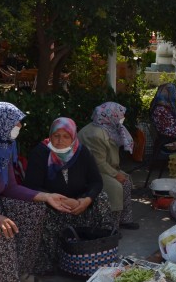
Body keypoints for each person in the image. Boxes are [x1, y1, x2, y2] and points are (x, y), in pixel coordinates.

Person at [0, 102, 70, 282]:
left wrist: (46, 197)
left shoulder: (3, 147)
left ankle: (18, 272)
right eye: (15, 126)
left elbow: (10, 187)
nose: (19, 129)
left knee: (35, 211)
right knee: (1, 231)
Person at [24, 117, 113, 274]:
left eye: (66, 136)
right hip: (52, 204)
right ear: (50, 136)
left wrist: (86, 199)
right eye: (56, 136)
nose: (60, 141)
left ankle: (99, 248)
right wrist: (59, 200)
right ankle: (51, 261)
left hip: (79, 204)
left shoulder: (81, 152)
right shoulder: (40, 153)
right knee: (35, 208)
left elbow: (96, 182)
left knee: (102, 198)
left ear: (73, 137)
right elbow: (31, 186)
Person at [78, 102, 139, 230]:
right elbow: (98, 163)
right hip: (90, 172)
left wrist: (118, 174)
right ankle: (111, 227)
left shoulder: (107, 127)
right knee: (115, 187)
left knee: (126, 182)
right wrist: (116, 175)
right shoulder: (95, 134)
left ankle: (124, 220)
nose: (122, 119)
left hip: (104, 168)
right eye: (120, 116)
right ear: (111, 115)